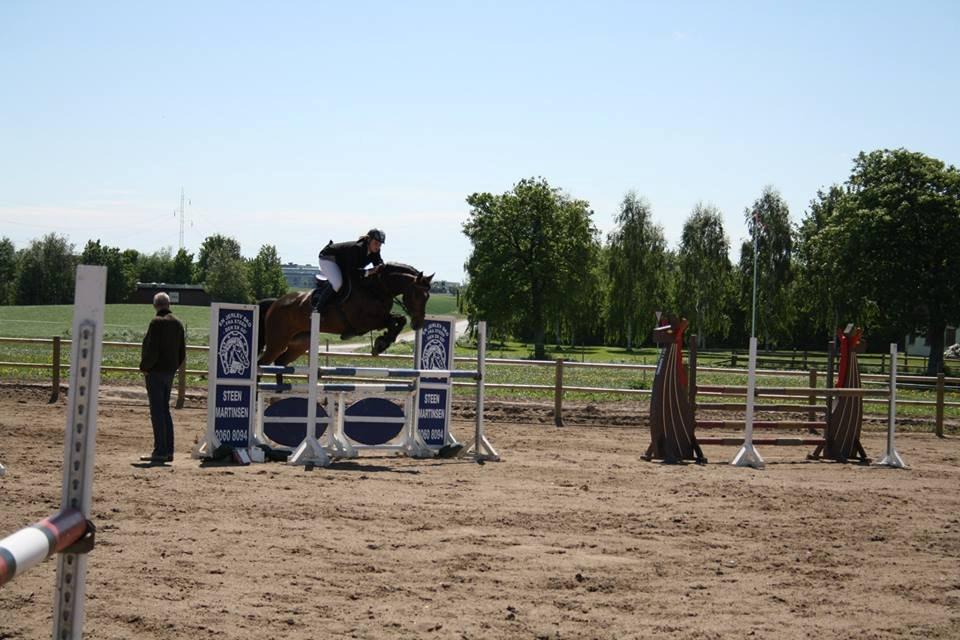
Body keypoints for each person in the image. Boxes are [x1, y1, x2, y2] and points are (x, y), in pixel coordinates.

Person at [138, 292, 186, 463]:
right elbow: (182, 352)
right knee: (165, 411)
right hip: (169, 373)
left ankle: (160, 451)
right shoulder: (178, 324)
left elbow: (152, 349)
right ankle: (168, 451)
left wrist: (144, 367)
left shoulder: (156, 323)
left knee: (157, 412)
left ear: (155, 305)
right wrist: (173, 367)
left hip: (155, 372)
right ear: (169, 304)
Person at [312, 228, 386, 316]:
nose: (378, 246)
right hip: (328, 258)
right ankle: (318, 309)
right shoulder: (356, 248)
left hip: (343, 263)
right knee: (338, 283)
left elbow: (379, 266)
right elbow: (351, 272)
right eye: (376, 243)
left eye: (380, 244)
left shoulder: (375, 251)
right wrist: (369, 272)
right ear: (368, 240)